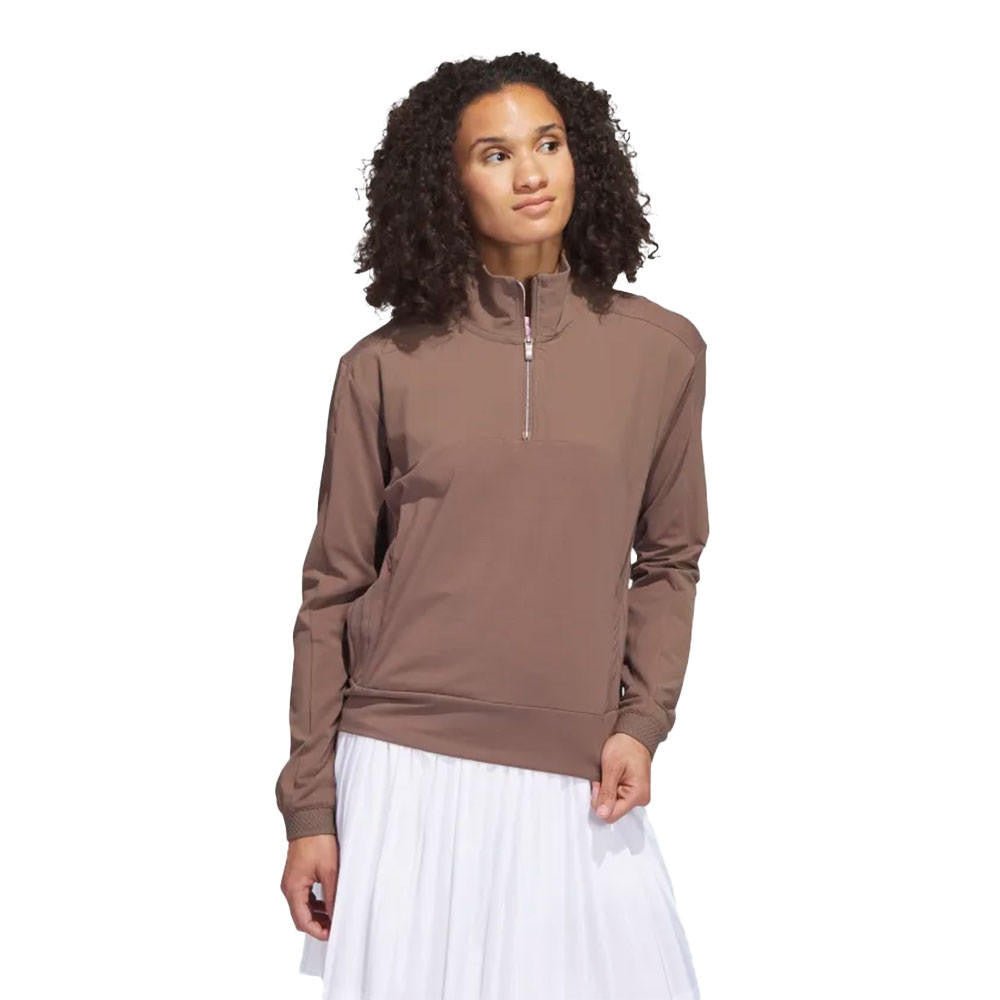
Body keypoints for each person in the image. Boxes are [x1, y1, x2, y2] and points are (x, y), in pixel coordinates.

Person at [276, 51, 710, 1000]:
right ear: (447, 183)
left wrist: (642, 723)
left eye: (548, 144)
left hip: (580, 764)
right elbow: (332, 590)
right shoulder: (382, 367)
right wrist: (310, 808)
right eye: (496, 153)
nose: (531, 174)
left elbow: (670, 558)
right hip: (401, 762)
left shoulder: (662, 352)